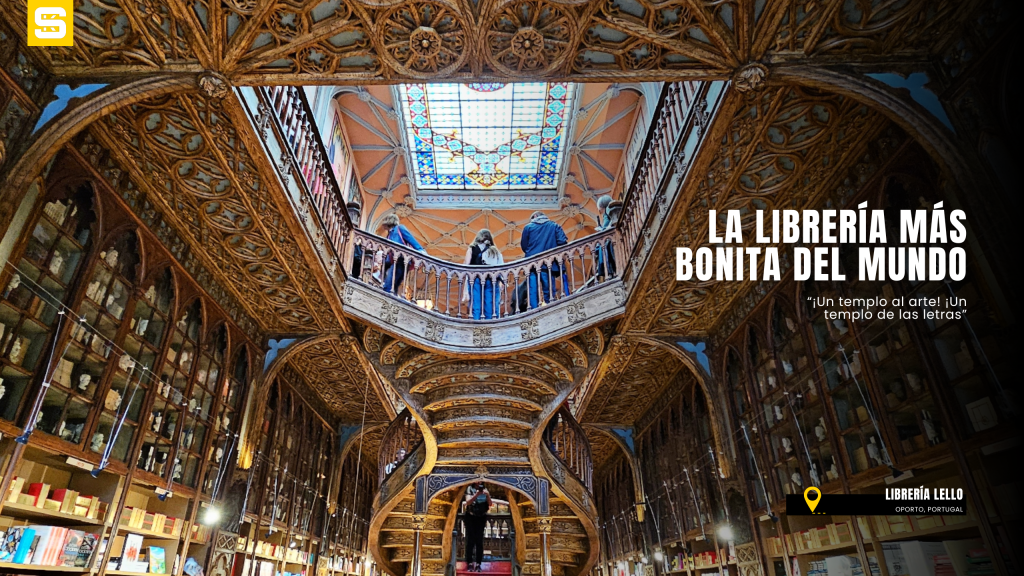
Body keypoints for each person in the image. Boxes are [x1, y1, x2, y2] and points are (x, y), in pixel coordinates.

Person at [520, 211, 568, 309]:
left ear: (535, 216)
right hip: (548, 263)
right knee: (549, 292)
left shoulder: (528, 227)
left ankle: (534, 312)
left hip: (532, 264)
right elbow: (562, 242)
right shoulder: (554, 226)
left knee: (533, 291)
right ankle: (551, 309)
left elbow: (524, 246)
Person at [379, 213, 425, 297]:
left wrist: (421, 251)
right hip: (394, 261)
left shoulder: (399, 228)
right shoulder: (389, 235)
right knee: (393, 285)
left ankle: (387, 302)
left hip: (401, 260)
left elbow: (411, 239)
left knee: (388, 286)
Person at [462, 230, 504, 319]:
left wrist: (465, 288)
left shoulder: (471, 249)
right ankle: (490, 326)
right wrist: (501, 282)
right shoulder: (495, 251)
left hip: (475, 279)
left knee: (475, 305)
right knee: (491, 306)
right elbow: (501, 269)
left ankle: (475, 326)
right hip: (491, 279)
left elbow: (465, 267)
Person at [463, 482, 491, 572]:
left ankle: (479, 563)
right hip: (471, 516)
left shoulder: (485, 490)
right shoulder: (469, 489)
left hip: (481, 517)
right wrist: (476, 495)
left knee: (479, 541)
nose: (479, 483)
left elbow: (490, 504)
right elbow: (468, 502)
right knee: (470, 540)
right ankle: (470, 563)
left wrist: (487, 495)